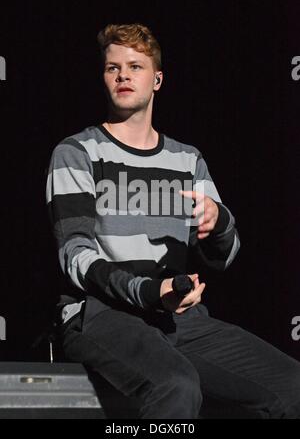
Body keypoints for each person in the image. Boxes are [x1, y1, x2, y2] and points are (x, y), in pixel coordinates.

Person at [46, 23, 300, 419]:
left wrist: (218, 224)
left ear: (157, 79)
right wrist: (148, 290)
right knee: (176, 386)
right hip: (100, 313)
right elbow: (75, 257)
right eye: (113, 68)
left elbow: (226, 254)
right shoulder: (77, 152)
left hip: (176, 317)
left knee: (291, 385)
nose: (124, 75)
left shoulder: (187, 160)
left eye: (135, 66)